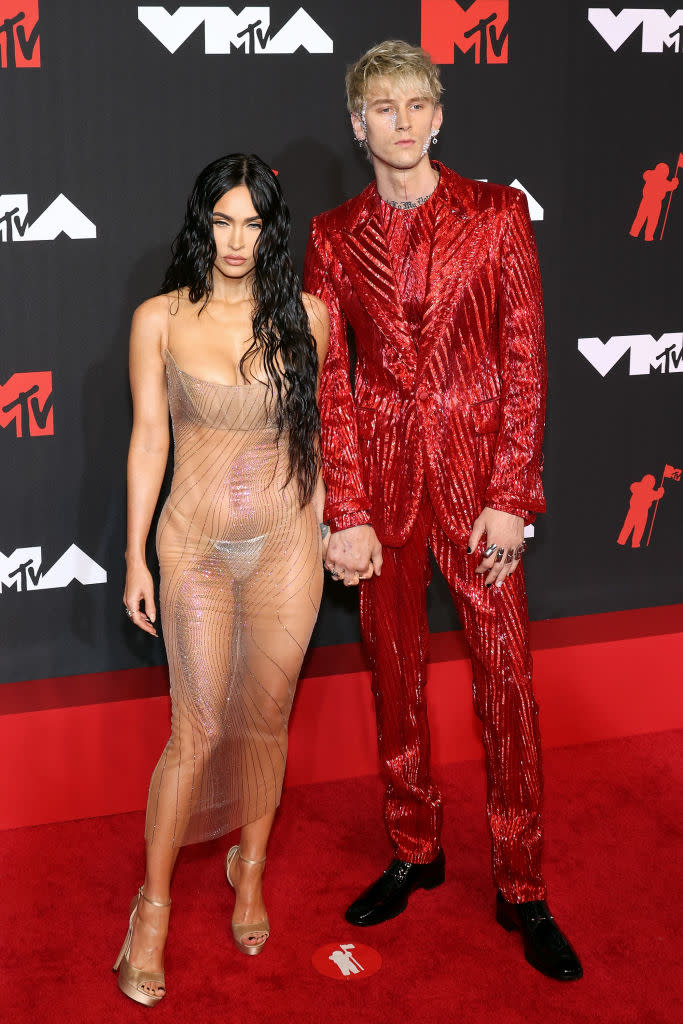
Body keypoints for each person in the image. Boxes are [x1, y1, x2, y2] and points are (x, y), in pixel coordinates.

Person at [304, 41, 582, 981]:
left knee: (505, 677)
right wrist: (342, 506)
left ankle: (521, 881)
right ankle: (415, 847)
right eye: (382, 107)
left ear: (440, 114)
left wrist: (511, 497)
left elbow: (525, 357)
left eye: (417, 104)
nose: (403, 121)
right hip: (379, 485)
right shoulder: (332, 234)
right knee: (394, 674)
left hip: (478, 486)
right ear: (357, 124)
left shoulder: (497, 215)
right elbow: (329, 386)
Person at [116, 153, 329, 1006]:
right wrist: (133, 554)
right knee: (197, 730)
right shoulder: (158, 319)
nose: (235, 240)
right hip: (194, 543)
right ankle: (154, 908)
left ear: (270, 229)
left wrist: (338, 531)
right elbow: (147, 442)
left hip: (286, 542)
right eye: (221, 220)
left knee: (267, 721)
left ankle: (250, 871)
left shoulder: (309, 315)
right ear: (200, 223)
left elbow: (326, 438)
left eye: (252, 223)